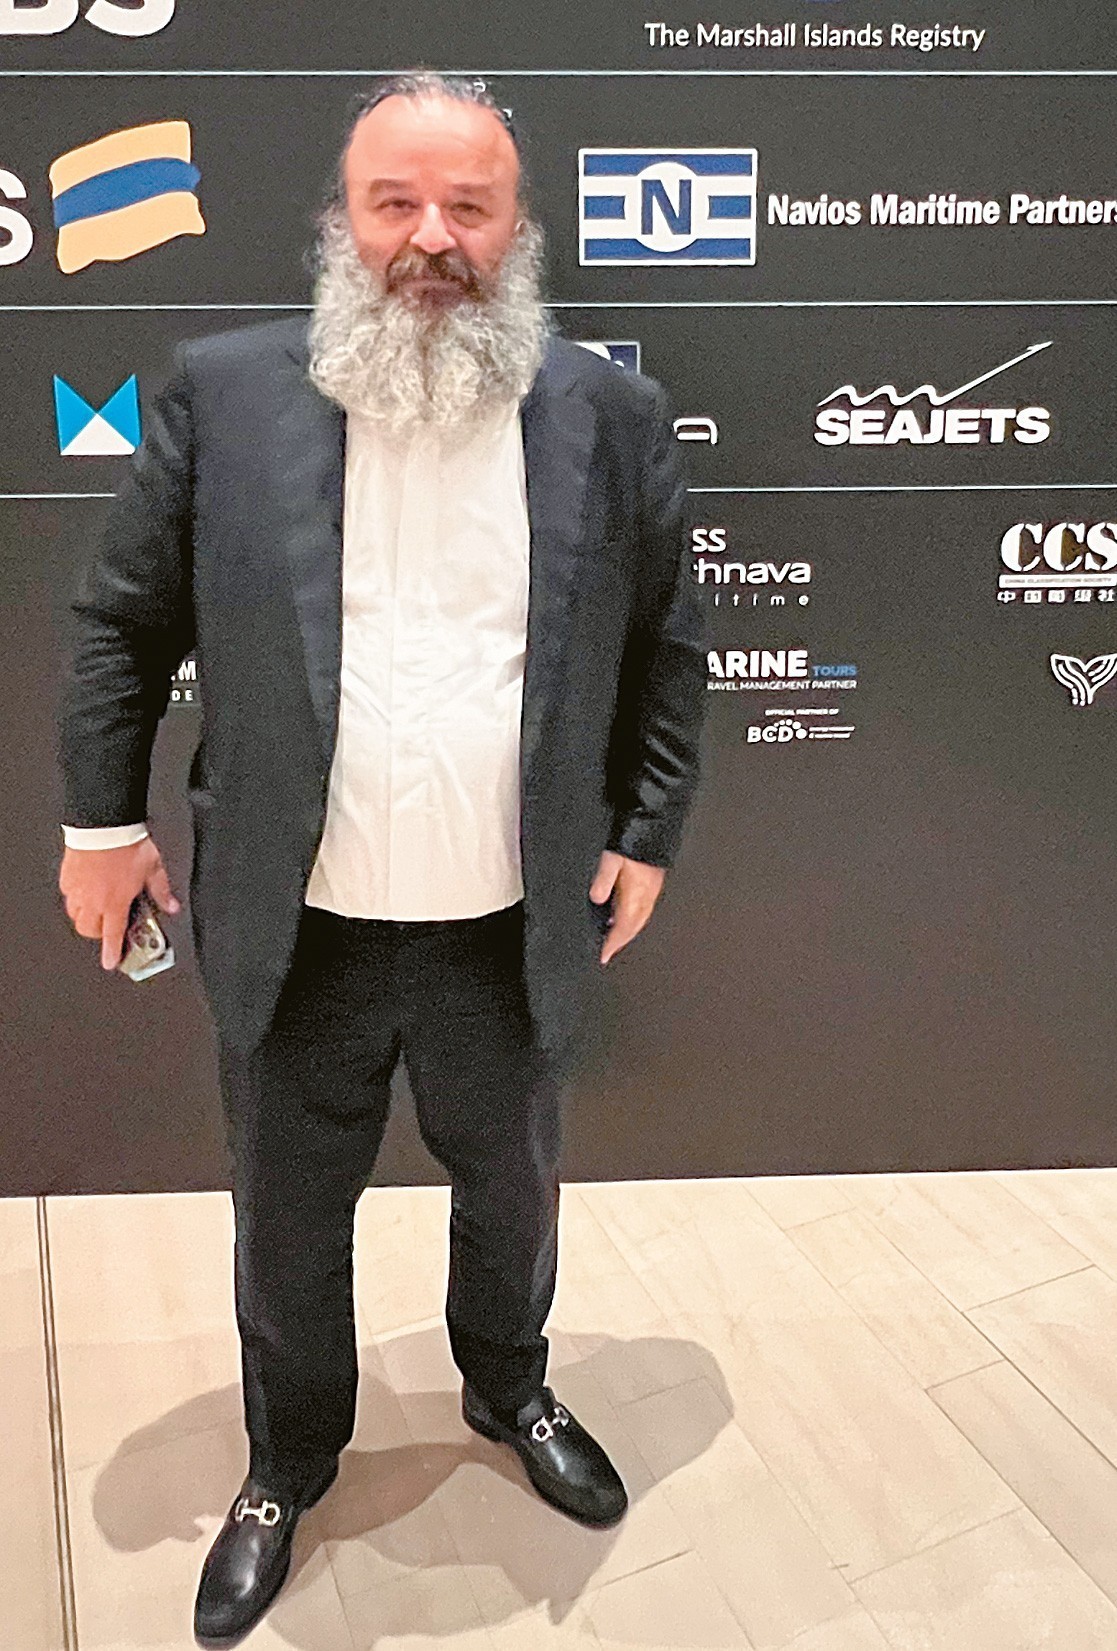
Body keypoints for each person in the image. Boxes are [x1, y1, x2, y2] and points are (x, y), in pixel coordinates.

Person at [57, 71, 708, 1643]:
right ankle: (287, 1462)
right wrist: (101, 826)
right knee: (287, 1217)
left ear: (517, 226)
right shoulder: (225, 392)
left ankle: (510, 1388)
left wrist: (645, 832)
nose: (430, 237)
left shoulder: (606, 416)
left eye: (467, 206)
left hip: (508, 916)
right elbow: (121, 629)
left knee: (514, 1191)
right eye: (393, 202)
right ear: (341, 221)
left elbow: (664, 646)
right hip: (300, 921)